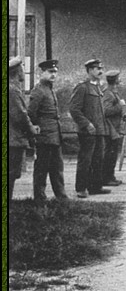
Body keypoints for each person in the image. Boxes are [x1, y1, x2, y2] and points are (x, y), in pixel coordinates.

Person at [69, 58, 111, 198]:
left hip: (99, 130)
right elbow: (74, 109)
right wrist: (86, 124)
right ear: (89, 70)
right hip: (88, 131)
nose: (100, 71)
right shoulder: (82, 87)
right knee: (86, 159)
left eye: (101, 68)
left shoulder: (97, 87)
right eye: (97, 69)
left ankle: (95, 187)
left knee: (98, 159)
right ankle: (81, 188)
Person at [28, 58, 68, 203]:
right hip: (45, 135)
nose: (53, 75)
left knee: (57, 167)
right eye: (50, 72)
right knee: (42, 168)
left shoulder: (49, 89)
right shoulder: (38, 91)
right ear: (42, 73)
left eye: (55, 72)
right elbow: (31, 112)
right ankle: (39, 197)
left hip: (54, 134)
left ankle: (61, 196)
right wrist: (37, 128)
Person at [9, 57, 40, 202]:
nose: (23, 73)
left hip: (13, 138)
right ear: (18, 71)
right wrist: (32, 129)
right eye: (22, 69)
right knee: (11, 173)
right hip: (13, 139)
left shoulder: (13, 89)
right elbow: (20, 115)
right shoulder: (13, 91)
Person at [101, 69, 126, 187]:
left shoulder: (112, 91)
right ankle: (107, 178)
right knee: (110, 155)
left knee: (112, 154)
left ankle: (110, 176)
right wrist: (119, 106)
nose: (120, 80)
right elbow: (105, 111)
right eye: (118, 78)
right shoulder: (108, 93)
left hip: (114, 128)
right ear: (115, 80)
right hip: (110, 128)